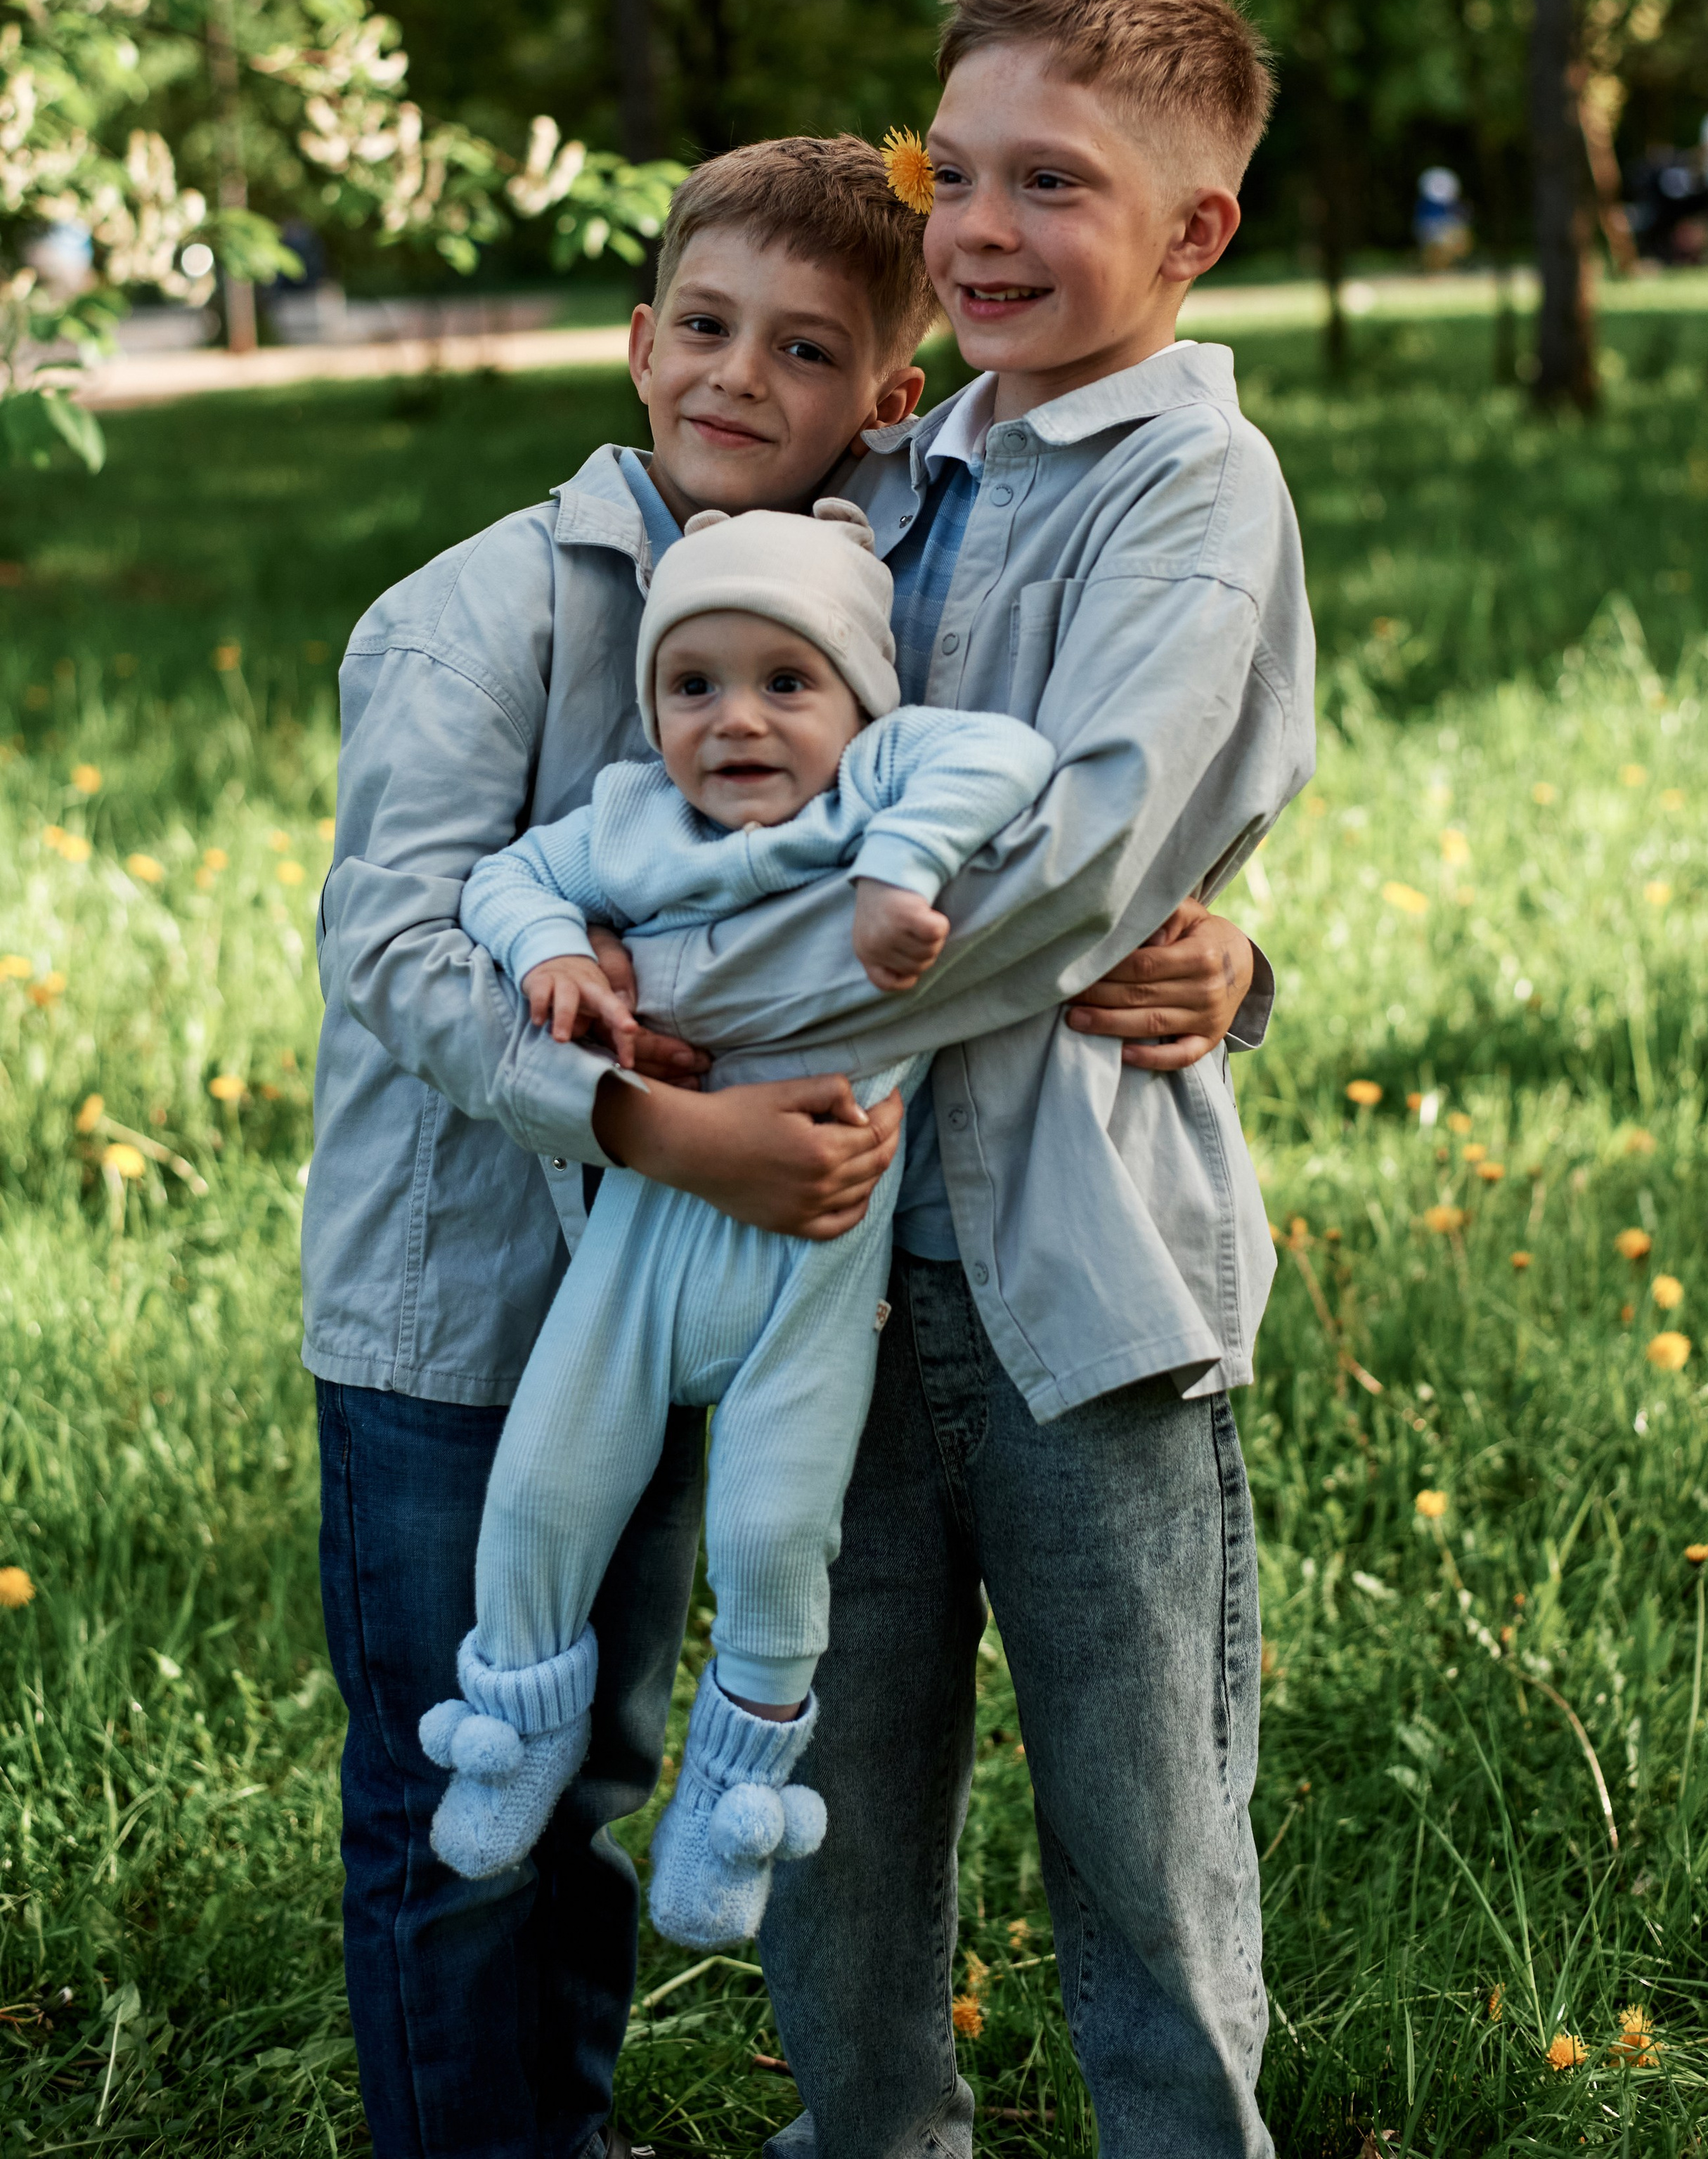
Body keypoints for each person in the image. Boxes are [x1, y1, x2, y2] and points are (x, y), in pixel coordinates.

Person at [303, 130, 1260, 2159]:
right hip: (472, 1279)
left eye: (810, 350)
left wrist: (1233, 960)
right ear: (639, 344)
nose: (748, 378)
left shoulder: (873, 570)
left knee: (606, 1737)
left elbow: (1046, 817)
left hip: (687, 1284)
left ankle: (559, 2122)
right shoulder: (481, 614)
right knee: (458, 1777)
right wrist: (660, 1120)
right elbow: (398, 951)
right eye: (710, 331)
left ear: (883, 404)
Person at [609, 0, 1316, 2159]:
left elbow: (1086, 869)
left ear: (1195, 231)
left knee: (1142, 1833)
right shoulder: (903, 470)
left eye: (1059, 185)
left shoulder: (1192, 499)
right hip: (828, 1263)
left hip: (1073, 1277)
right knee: (830, 1795)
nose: (986, 231)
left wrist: (696, 1030)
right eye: (961, 173)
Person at [418, 498, 1053, 1943]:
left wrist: (901, 866)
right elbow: (501, 875)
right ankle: (510, 1724)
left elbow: (1005, 753)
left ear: (855, 700)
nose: (737, 721)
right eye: (690, 686)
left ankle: (734, 1797)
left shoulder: (873, 791)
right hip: (645, 1243)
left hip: (811, 1282)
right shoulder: (634, 821)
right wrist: (561, 953)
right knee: (539, 1489)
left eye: (788, 682)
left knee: (775, 1535)